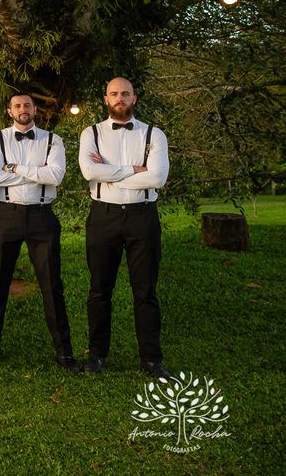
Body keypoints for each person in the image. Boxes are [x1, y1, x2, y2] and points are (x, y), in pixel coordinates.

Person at [79, 77, 175, 382]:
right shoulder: (90, 133)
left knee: (145, 291)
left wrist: (111, 175)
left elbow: (157, 178)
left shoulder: (154, 134)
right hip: (103, 216)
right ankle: (97, 355)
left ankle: (151, 360)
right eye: (114, 94)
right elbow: (89, 172)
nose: (119, 98)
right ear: (106, 99)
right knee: (99, 290)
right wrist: (135, 170)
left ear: (134, 98)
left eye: (125, 93)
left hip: (142, 216)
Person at [0, 93, 77, 371]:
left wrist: (14, 167)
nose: (23, 109)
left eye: (28, 105)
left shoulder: (52, 140)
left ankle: (64, 351)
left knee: (51, 283)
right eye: (18, 105)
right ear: (10, 111)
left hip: (41, 215)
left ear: (35, 110)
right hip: (6, 214)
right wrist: (37, 171)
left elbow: (56, 176)